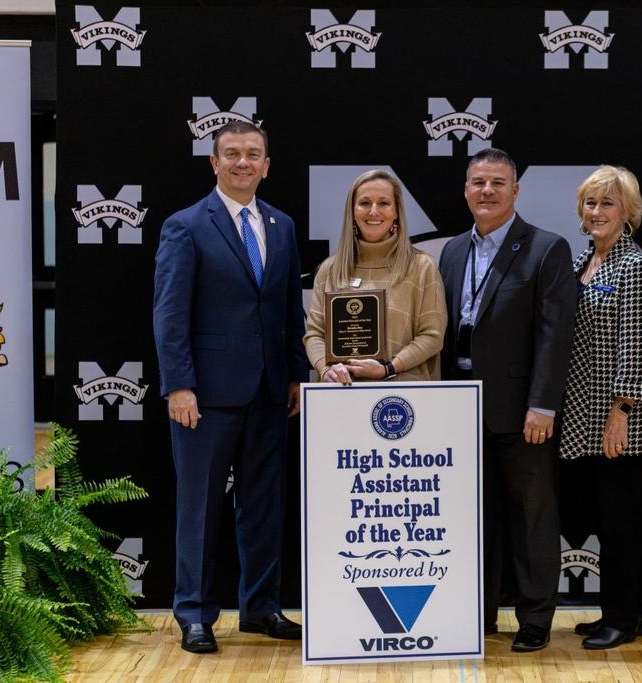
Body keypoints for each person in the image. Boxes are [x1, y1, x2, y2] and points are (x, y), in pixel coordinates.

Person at [153, 120, 310, 654]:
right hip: (206, 396)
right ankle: (194, 613)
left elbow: (290, 308)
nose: (244, 162)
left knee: (264, 505)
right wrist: (179, 386)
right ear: (214, 163)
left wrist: (294, 375)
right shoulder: (186, 225)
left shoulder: (281, 225)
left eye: (254, 154)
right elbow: (170, 314)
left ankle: (260, 607)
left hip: (269, 391)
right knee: (199, 507)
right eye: (233, 154)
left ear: (268, 164)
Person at [439, 147, 576, 652]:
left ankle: (536, 618)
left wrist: (543, 405)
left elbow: (554, 336)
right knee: (476, 516)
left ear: (516, 191)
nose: (487, 191)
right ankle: (481, 613)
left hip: (523, 411)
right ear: (466, 190)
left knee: (532, 516)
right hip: (460, 406)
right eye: (478, 182)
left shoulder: (545, 248)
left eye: (498, 182)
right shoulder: (453, 251)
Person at [559, 166, 642, 649]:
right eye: (591, 203)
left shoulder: (634, 267)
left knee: (622, 522)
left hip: (625, 419)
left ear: (628, 211)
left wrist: (621, 411)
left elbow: (640, 345)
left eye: (608, 203)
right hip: (586, 414)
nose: (597, 212)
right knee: (607, 519)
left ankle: (623, 620)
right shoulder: (586, 259)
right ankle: (623, 611)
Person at [304, 170, 446, 383]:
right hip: (341, 396)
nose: (373, 211)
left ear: (396, 211)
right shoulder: (330, 270)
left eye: (383, 203)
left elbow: (432, 336)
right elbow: (314, 334)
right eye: (364, 203)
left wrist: (388, 369)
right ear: (352, 211)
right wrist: (326, 369)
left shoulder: (421, 267)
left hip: (405, 399)